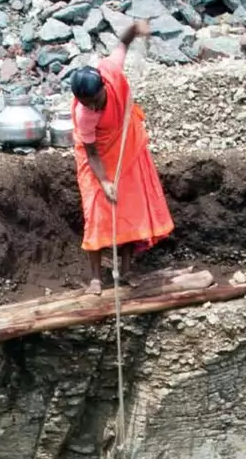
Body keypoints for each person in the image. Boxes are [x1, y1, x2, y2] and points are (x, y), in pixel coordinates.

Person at [70, 16, 174, 294]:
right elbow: (91, 152)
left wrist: (137, 28)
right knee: (96, 212)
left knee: (129, 210)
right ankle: (96, 277)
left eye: (95, 101)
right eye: (86, 103)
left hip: (126, 149)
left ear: (104, 88)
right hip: (97, 159)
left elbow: (122, 43)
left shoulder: (111, 73)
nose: (92, 107)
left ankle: (126, 270)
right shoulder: (84, 114)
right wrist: (104, 182)